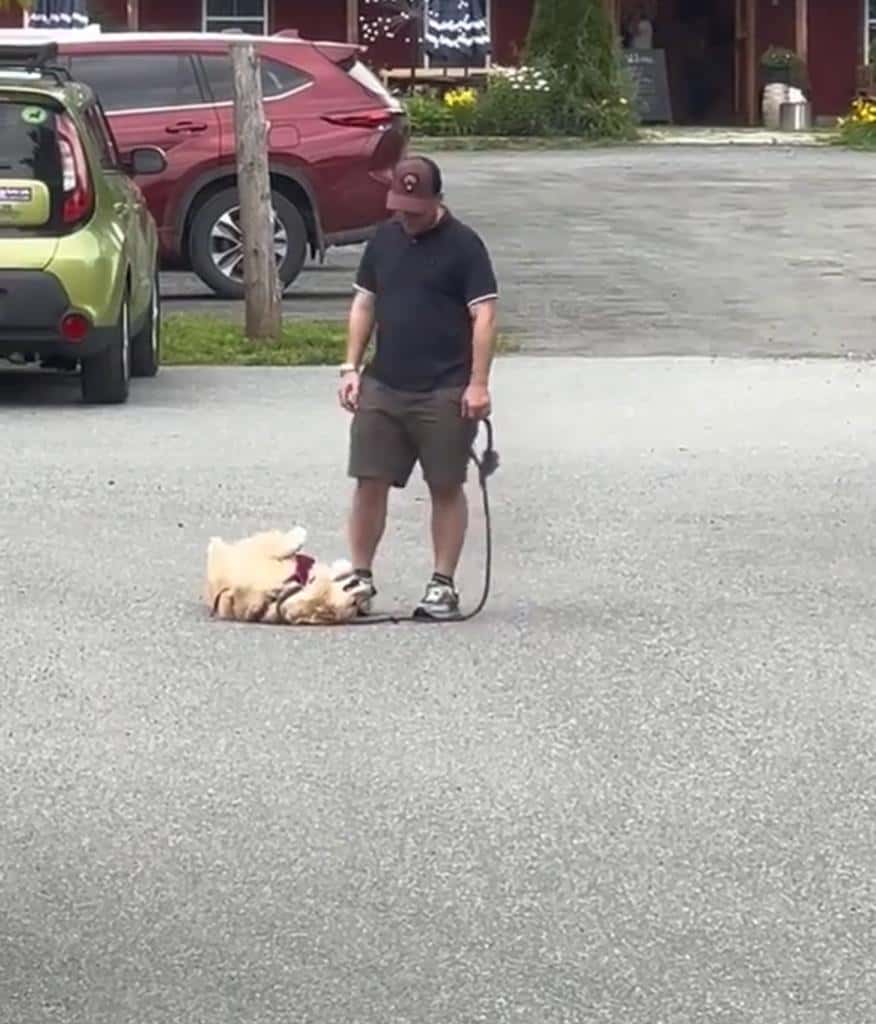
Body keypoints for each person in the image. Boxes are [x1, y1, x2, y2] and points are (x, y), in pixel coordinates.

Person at [337, 154, 499, 620]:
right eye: (398, 206)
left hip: (445, 387)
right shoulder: (384, 240)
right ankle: (361, 578)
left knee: (445, 484)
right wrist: (350, 367)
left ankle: (442, 584)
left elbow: (484, 315)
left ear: (436, 200)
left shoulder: (465, 246)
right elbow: (364, 303)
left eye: (414, 208)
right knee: (369, 480)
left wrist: (478, 383)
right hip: (384, 383)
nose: (404, 216)